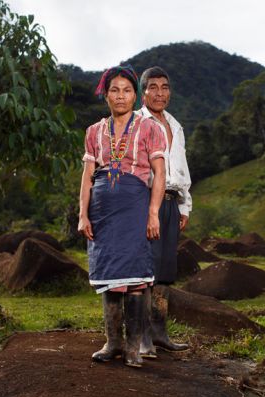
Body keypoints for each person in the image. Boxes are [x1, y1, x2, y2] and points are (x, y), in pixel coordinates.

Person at [77, 65, 166, 368]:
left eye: (127, 90)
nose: (120, 96)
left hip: (134, 205)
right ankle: (112, 342)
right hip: (101, 211)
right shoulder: (94, 131)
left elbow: (159, 174)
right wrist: (83, 215)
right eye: (114, 90)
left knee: (137, 277)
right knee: (108, 274)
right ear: (106, 94)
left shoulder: (149, 128)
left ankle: (133, 347)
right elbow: (87, 177)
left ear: (134, 95)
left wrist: (153, 213)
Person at [136, 66, 191, 358]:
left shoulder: (176, 125)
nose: (160, 93)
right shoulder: (136, 123)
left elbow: (182, 168)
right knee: (147, 269)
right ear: (142, 93)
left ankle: (160, 333)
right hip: (147, 202)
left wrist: (185, 205)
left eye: (165, 87)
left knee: (166, 272)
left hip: (172, 201)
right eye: (153, 87)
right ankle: (142, 336)